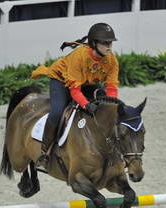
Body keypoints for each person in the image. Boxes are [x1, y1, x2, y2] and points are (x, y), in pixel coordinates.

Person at [31, 23, 120, 171]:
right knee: (57, 113)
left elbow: (111, 87)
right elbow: (75, 91)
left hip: (87, 82)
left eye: (110, 43)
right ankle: (44, 154)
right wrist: (86, 105)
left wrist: (110, 107)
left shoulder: (111, 60)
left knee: (105, 106)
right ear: (94, 43)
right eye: (105, 43)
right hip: (61, 81)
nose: (109, 47)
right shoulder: (79, 57)